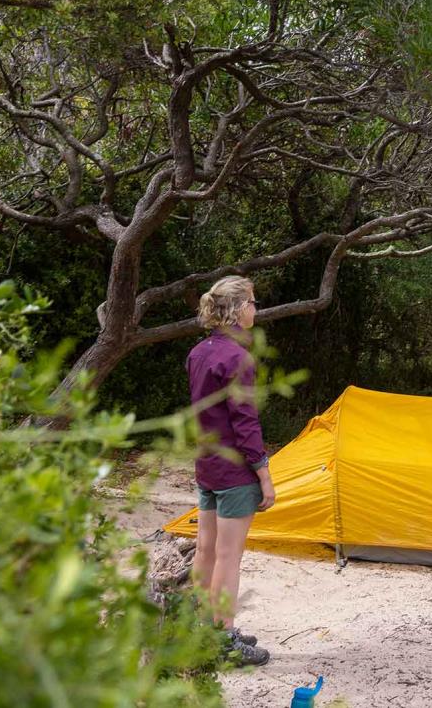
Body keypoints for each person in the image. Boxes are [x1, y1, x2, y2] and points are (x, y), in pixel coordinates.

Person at [188, 275, 275, 666]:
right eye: (253, 303)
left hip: (206, 465)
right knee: (228, 556)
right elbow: (246, 422)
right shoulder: (238, 358)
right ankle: (223, 640)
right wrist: (263, 473)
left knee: (206, 550)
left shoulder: (199, 353)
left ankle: (197, 630)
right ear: (239, 310)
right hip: (234, 472)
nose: (256, 309)